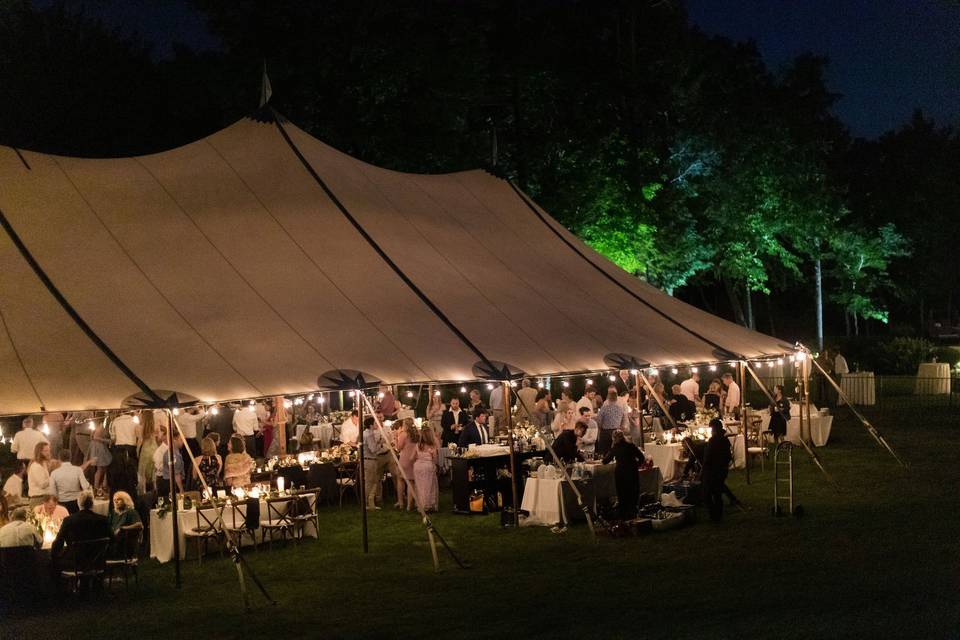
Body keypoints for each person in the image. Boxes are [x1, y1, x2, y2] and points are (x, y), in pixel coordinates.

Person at [602, 431, 643, 520]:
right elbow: (641, 457)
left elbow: (605, 461)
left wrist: (611, 449)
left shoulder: (615, 448)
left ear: (614, 438)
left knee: (622, 494)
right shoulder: (631, 445)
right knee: (633, 493)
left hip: (621, 473)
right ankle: (634, 513)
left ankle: (624, 515)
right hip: (632, 472)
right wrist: (636, 465)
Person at [702, 418, 733, 522]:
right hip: (722, 470)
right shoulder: (725, 440)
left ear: (714, 429)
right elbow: (729, 456)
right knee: (717, 494)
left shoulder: (713, 441)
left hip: (713, 471)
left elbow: (708, 457)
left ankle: (714, 515)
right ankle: (718, 515)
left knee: (707, 494)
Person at [362, 416, 387, 510]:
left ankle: (369, 503)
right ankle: (368, 504)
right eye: (375, 423)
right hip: (370, 460)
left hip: (367, 459)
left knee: (370, 481)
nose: (377, 424)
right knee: (370, 482)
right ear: (371, 425)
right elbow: (373, 449)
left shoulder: (365, 433)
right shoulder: (369, 435)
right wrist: (380, 443)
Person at [414, 426, 439, 512]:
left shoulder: (418, 445)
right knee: (429, 486)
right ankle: (428, 504)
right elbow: (435, 459)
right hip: (427, 467)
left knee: (420, 486)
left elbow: (414, 457)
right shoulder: (432, 446)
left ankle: (421, 504)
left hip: (418, 467)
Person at [595, 388, 626, 456]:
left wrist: (601, 428)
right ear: (616, 398)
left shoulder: (604, 408)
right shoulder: (620, 408)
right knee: (617, 454)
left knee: (604, 454)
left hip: (605, 433)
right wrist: (620, 429)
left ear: (608, 398)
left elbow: (599, 421)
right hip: (617, 432)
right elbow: (624, 421)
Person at [397, 419, 420, 511]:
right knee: (412, 481)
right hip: (414, 458)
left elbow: (399, 447)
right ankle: (412, 503)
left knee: (401, 479)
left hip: (405, 459)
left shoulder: (404, 434)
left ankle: (401, 502)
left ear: (405, 425)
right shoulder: (417, 434)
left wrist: (396, 437)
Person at [88, 419, 113, 497]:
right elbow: (96, 437)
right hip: (100, 447)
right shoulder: (101, 426)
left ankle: (100, 486)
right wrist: (108, 441)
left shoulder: (96, 426)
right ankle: (99, 486)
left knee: (103, 468)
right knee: (101, 468)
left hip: (97, 447)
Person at [157, 433, 185, 501]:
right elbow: (176, 474)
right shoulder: (173, 455)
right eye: (181, 440)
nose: (183, 442)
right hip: (172, 484)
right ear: (174, 440)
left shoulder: (169, 452)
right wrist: (181, 490)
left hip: (168, 482)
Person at [137, 413, 160, 494]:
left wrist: (137, 452)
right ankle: (156, 492)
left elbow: (140, 441)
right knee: (154, 472)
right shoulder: (156, 426)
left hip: (145, 451)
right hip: (154, 449)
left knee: (143, 474)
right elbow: (158, 438)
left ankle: (143, 493)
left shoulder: (141, 427)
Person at [27, 442, 53, 506]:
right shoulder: (36, 466)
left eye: (49, 450)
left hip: (43, 498)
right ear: (39, 452)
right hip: (38, 499)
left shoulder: (43, 464)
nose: (48, 453)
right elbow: (42, 484)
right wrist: (53, 478)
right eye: (45, 451)